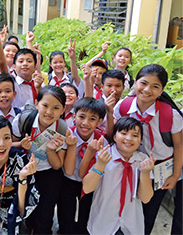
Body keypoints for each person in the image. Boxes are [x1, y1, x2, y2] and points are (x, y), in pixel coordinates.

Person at [112, 64, 183, 234]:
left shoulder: (170, 114)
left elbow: (179, 145)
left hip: (159, 170)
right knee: (124, 209)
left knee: (148, 213)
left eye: (155, 86)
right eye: (143, 83)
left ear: (161, 91)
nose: (147, 89)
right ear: (135, 82)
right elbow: (114, 135)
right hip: (129, 167)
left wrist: (175, 175)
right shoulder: (123, 107)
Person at [12, 85, 74, 234]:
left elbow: (57, 165)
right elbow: (9, 147)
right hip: (24, 172)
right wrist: (21, 144)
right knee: (23, 211)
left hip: (48, 175)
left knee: (44, 216)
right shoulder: (23, 119)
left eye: (56, 108)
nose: (49, 112)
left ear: (63, 109)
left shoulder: (62, 129)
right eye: (45, 105)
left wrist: (51, 150)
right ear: (36, 103)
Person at [83, 117, 155, 235]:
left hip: (131, 221)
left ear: (141, 139)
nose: (129, 138)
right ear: (115, 136)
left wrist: (145, 173)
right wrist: (100, 164)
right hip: (103, 220)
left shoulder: (143, 161)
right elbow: (87, 188)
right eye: (123, 133)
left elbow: (146, 198)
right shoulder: (104, 155)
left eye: (135, 135)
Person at [57, 97, 107, 234]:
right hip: (67, 180)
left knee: (86, 212)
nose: (85, 123)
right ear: (74, 117)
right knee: (66, 211)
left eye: (92, 119)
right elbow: (69, 171)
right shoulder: (66, 135)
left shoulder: (101, 141)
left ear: (99, 122)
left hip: (89, 183)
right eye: (82, 117)